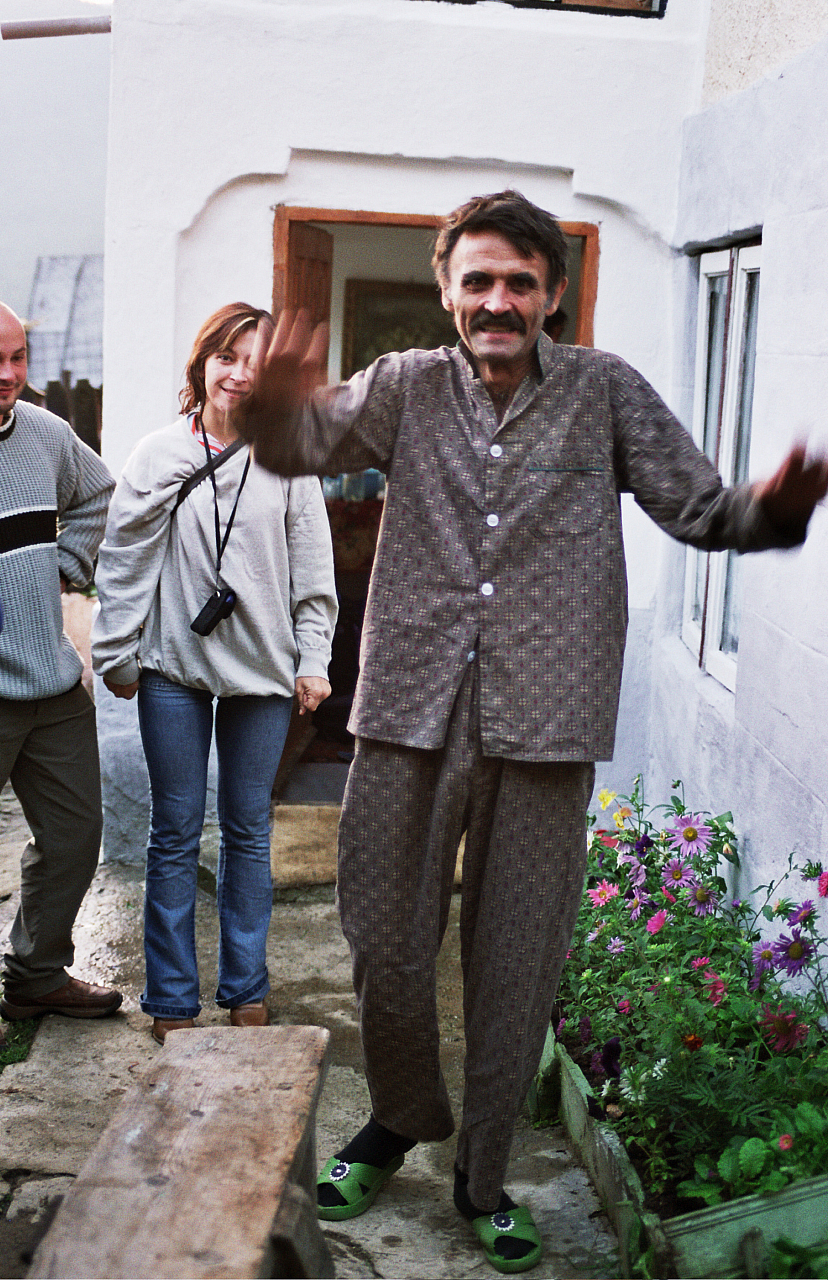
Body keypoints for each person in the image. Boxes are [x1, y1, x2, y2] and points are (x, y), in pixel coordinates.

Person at [239, 190, 828, 1273]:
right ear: (447, 292)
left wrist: (778, 506)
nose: (497, 300)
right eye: (478, 281)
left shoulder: (604, 392)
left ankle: (484, 1174)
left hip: (547, 724)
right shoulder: (408, 387)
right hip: (409, 706)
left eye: (519, 281)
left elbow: (701, 507)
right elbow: (303, 443)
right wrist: (272, 406)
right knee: (380, 939)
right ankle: (400, 1116)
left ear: (552, 294)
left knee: (516, 961)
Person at [91, 302, 337, 1045]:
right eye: (225, 357)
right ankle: (170, 999)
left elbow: (312, 570)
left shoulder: (288, 457)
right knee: (172, 832)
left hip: (262, 675)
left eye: (254, 361)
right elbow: (125, 561)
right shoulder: (158, 454)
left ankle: (246, 989)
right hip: (173, 668)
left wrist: (314, 657)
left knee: (247, 831)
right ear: (201, 364)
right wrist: (116, 654)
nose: (237, 374)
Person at [0, 296, 122, 1063]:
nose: (6, 374)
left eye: (15, 358)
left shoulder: (45, 433)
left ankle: (35, 974)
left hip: (54, 682)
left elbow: (100, 495)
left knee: (73, 835)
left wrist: (69, 568)